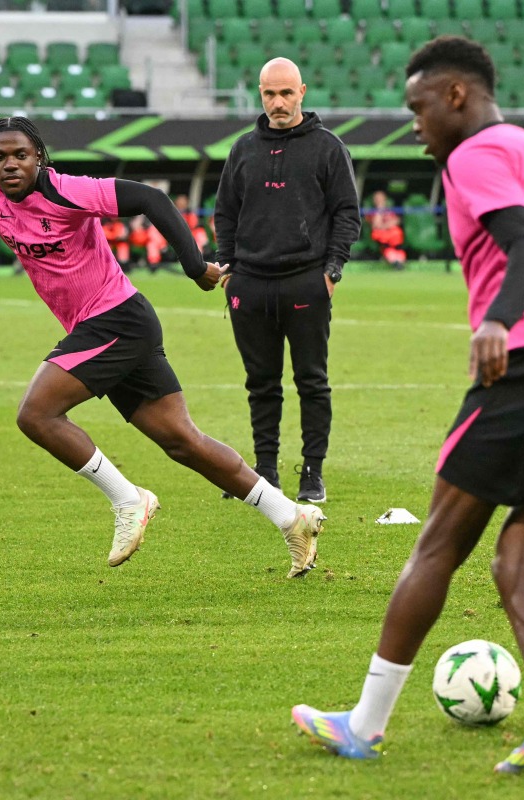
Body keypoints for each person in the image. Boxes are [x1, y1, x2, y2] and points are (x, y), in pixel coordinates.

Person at [291, 37, 524, 777]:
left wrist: (498, 320)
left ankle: (364, 723)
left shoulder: (475, 154)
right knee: (520, 558)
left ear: (456, 95)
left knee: (439, 542)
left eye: (418, 107)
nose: (413, 124)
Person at [0, 116, 324, 578]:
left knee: (35, 414)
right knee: (184, 443)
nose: (9, 165)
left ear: (40, 158)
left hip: (117, 320)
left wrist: (193, 264)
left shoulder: (68, 190)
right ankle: (291, 517)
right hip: (114, 327)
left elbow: (150, 198)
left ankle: (128, 499)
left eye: (21, 155)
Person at [214, 57, 361, 504]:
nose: (277, 102)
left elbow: (347, 214)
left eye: (285, 93)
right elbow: (225, 212)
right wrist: (228, 266)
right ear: (260, 94)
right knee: (261, 384)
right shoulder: (242, 148)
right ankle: (265, 471)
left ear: (302, 91)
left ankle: (312, 472)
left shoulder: (328, 148)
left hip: (305, 282)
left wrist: (331, 271)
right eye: (269, 93)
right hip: (250, 285)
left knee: (311, 381)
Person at [368, 189, 406, 269]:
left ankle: (399, 261)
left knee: (397, 233)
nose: (379, 200)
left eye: (381, 198)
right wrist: (379, 210)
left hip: (393, 237)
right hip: (382, 237)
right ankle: (394, 261)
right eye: (377, 199)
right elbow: (376, 225)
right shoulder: (372, 212)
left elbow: (396, 221)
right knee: (386, 244)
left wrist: (385, 226)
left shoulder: (389, 211)